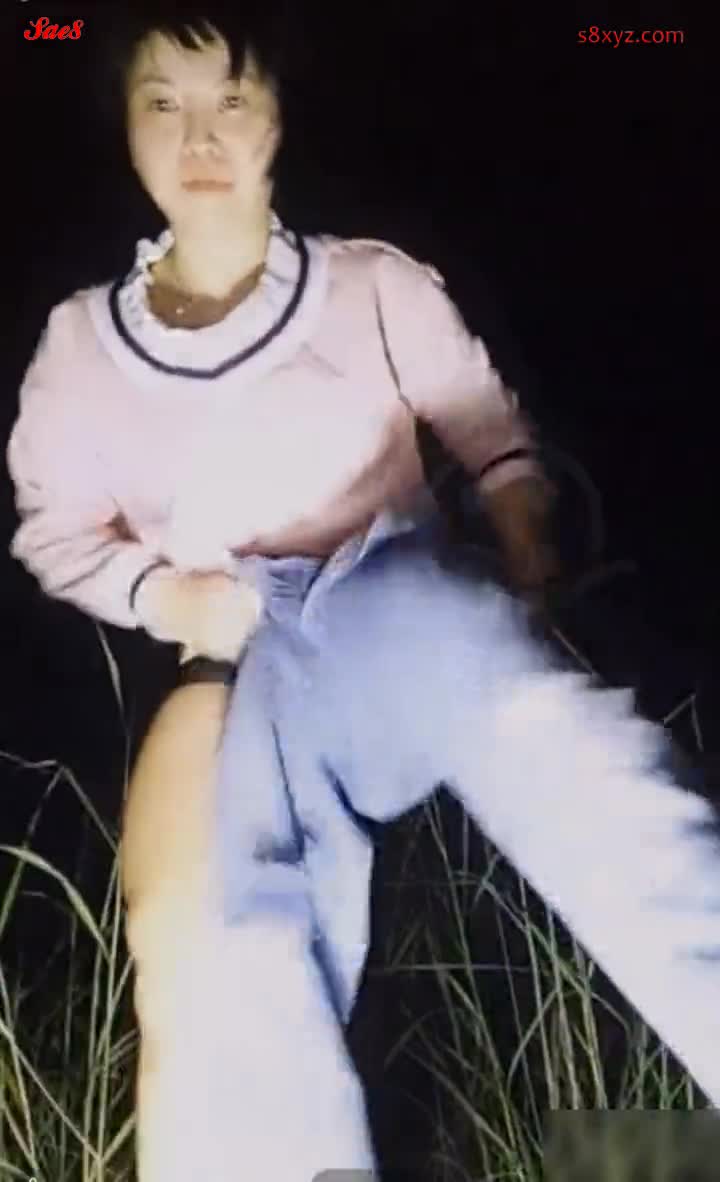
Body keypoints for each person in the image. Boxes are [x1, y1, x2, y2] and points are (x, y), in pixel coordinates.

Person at [7, 6, 720, 1180]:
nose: (199, 135)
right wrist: (161, 596)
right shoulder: (82, 345)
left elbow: (492, 437)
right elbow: (52, 531)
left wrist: (527, 558)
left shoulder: (371, 284)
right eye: (162, 101)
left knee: (560, 750)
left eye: (231, 98)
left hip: (383, 589)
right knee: (213, 918)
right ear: (124, 125)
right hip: (235, 651)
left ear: (279, 116)